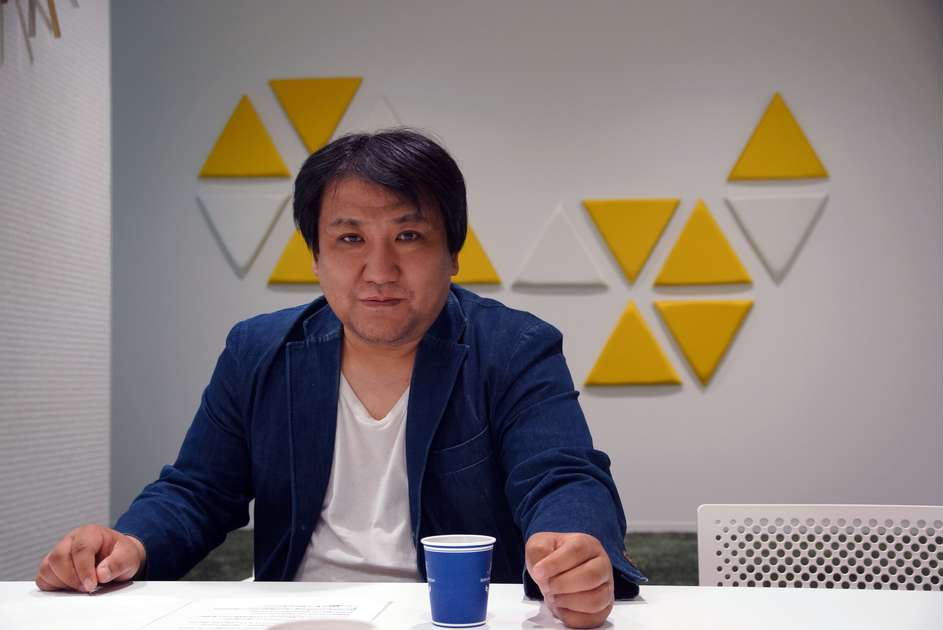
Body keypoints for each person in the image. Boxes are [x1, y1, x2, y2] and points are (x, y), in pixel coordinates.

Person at [35, 128, 645, 628]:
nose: (379, 269)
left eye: (409, 236)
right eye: (350, 238)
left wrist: (573, 550)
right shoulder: (259, 351)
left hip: (451, 620)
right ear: (316, 256)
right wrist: (129, 544)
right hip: (298, 618)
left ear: (453, 254)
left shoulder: (513, 348)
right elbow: (198, 491)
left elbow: (562, 474)